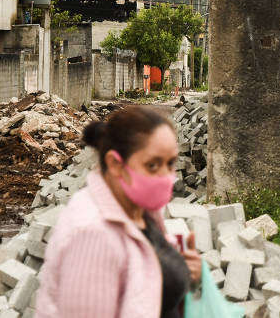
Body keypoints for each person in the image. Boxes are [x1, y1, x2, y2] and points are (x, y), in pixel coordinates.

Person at [36, 106, 201, 318]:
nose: (166, 176)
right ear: (115, 163)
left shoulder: (138, 207)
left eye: (170, 164)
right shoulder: (93, 235)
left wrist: (184, 271)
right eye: (152, 165)